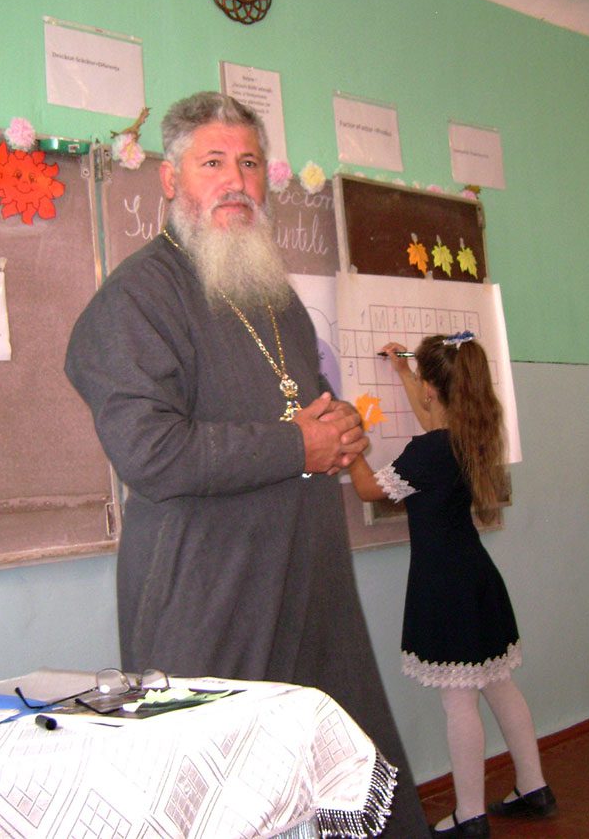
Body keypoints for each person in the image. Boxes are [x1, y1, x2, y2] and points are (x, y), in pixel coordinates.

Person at [64, 91, 428, 837]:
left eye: (251, 163)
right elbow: (150, 453)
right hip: (210, 600)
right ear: (171, 179)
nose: (237, 181)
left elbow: (303, 405)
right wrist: (299, 445)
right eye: (213, 163)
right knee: (222, 806)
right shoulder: (135, 299)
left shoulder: (272, 293)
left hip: (312, 590)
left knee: (345, 794)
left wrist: (339, 428)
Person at [349, 333, 556, 838]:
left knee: (458, 702)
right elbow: (431, 421)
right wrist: (404, 372)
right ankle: (534, 788)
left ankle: (470, 816)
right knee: (498, 684)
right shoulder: (469, 435)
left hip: (445, 585)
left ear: (432, 389)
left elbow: (368, 488)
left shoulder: (430, 451)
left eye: (420, 380)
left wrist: (350, 443)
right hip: (477, 578)